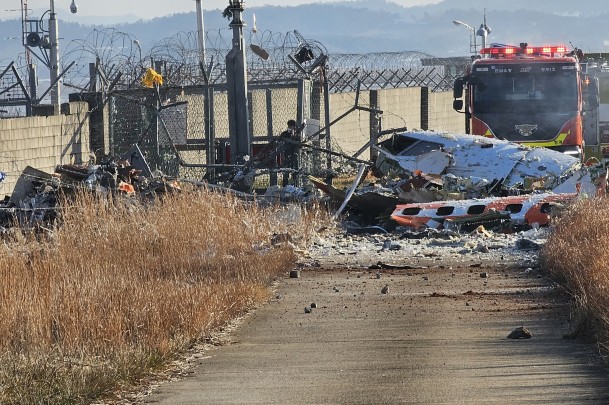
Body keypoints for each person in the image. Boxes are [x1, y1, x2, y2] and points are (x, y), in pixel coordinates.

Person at [279, 119, 301, 186]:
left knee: (295, 172)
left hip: (294, 155)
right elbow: (280, 141)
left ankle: (296, 185)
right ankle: (285, 186)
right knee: (286, 172)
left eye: (292, 126)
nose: (290, 128)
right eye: (289, 126)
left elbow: (299, 145)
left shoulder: (297, 135)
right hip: (286, 155)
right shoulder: (284, 134)